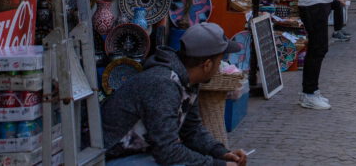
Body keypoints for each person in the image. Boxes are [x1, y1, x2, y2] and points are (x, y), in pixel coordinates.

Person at [103, 22, 248, 165]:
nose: (219, 67)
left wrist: (221, 153)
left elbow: (191, 130)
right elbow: (168, 151)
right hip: (112, 156)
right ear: (207, 65)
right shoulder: (163, 85)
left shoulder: (189, 81)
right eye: (220, 60)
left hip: (141, 152)